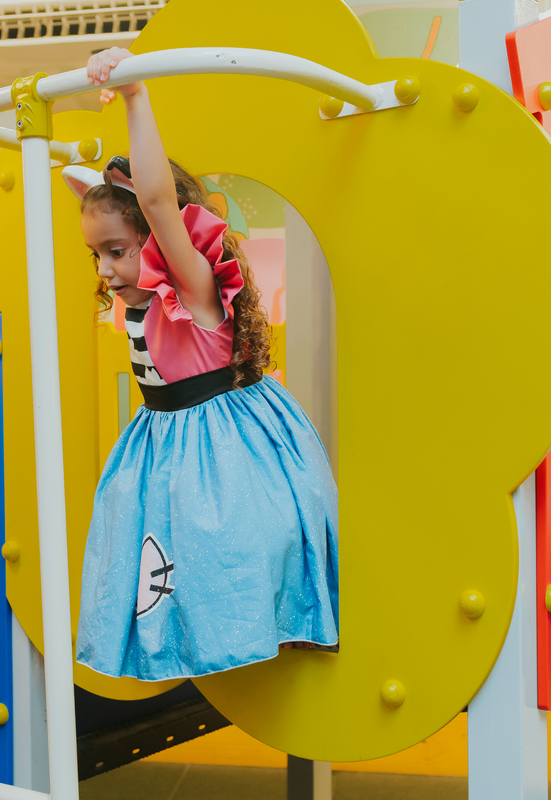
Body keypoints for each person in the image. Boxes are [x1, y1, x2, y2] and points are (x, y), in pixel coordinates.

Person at [69, 47, 339, 681]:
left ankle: (265, 625)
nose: (105, 270)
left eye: (117, 251)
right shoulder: (140, 302)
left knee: (227, 541)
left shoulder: (191, 289)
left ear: (160, 242)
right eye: (96, 255)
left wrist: (135, 93)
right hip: (166, 439)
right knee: (144, 545)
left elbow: (157, 201)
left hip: (221, 442)